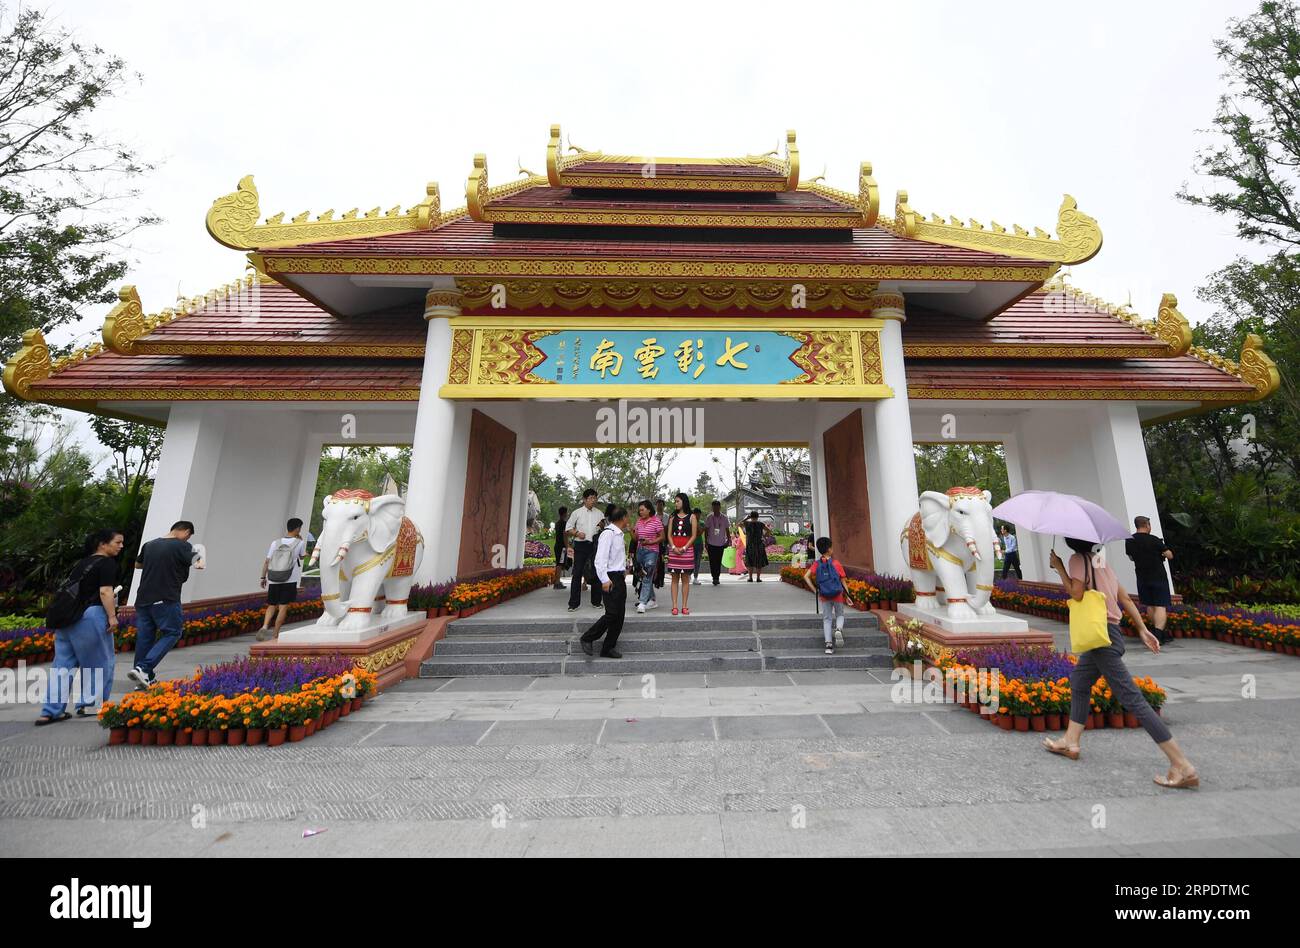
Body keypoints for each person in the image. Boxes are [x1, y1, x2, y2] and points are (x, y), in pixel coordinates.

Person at [1042, 537, 1199, 789]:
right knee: (1080, 681)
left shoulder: (1076, 560)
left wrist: (1059, 567)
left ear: (1070, 540)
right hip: (1108, 633)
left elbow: (1076, 594)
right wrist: (1141, 629)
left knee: (1132, 699)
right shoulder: (1101, 560)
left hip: (1100, 637)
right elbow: (1123, 597)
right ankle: (1070, 741)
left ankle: (1182, 765)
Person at [36, 529, 123, 725]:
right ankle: (91, 704)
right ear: (102, 543)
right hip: (90, 616)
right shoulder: (107, 563)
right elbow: (105, 592)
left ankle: (50, 711)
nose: (121, 546)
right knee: (99, 663)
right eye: (117, 542)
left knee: (62, 665)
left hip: (66, 618)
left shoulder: (81, 563)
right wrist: (112, 616)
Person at [128, 520, 201, 688]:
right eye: (188, 536)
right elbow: (199, 562)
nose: (187, 538)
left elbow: (138, 564)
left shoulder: (150, 544)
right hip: (166, 597)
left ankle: (143, 678)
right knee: (173, 632)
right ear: (185, 531)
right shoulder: (182, 546)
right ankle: (144, 668)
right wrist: (200, 557)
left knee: (145, 638)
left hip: (143, 599)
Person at [579, 506, 629, 658]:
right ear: (622, 518)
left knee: (619, 615)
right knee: (612, 613)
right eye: (627, 517)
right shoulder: (608, 534)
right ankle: (587, 637)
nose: (629, 520)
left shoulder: (618, 534)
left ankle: (608, 647)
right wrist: (605, 580)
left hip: (619, 577)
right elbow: (600, 559)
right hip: (610, 578)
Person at [256, 518, 308, 640]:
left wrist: (263, 577)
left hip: (274, 577)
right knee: (283, 606)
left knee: (272, 605)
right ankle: (275, 634)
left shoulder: (275, 542)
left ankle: (264, 626)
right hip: (289, 579)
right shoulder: (299, 543)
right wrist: (302, 546)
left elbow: (267, 561)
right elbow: (302, 557)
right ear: (297, 529)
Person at [1126, 516, 1174, 645]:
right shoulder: (1154, 540)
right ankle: (1158, 634)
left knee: (1150, 604)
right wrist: (1163, 553)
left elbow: (1131, 557)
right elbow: (1169, 555)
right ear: (1147, 525)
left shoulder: (1129, 540)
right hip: (1158, 575)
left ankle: (1160, 632)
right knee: (1160, 605)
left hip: (1142, 575)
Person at [803, 536, 853, 654]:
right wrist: (848, 596)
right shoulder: (836, 563)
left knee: (827, 619)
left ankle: (829, 646)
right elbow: (843, 581)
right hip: (838, 594)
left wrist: (815, 590)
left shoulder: (816, 564)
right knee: (840, 614)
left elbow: (806, 577)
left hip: (824, 595)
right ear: (830, 549)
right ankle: (839, 630)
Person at [566, 489, 603, 611]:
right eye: (591, 498)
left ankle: (596, 601)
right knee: (577, 573)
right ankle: (573, 604)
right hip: (580, 545)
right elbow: (568, 529)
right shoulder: (577, 513)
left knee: (596, 572)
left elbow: (604, 528)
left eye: (595, 498)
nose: (593, 500)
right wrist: (576, 533)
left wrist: (601, 529)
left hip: (594, 546)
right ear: (584, 499)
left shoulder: (599, 513)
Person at [665, 493, 698, 615]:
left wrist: (684, 547)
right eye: (675, 501)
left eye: (677, 501)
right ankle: (674, 606)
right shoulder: (672, 517)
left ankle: (684, 606)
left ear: (684, 502)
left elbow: (694, 535)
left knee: (685, 579)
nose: (675, 503)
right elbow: (669, 534)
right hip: (674, 551)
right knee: (674, 579)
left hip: (687, 551)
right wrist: (673, 547)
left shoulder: (692, 517)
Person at [632, 500, 662, 614]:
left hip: (652, 552)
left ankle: (642, 603)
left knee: (647, 576)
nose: (640, 512)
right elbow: (635, 538)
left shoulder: (656, 521)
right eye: (639, 510)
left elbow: (662, 537)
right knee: (642, 575)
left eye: (642, 510)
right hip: (640, 551)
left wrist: (650, 542)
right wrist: (631, 531)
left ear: (649, 509)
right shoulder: (639, 521)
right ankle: (652, 600)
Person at [704, 500, 729, 585]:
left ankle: (717, 577)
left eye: (717, 507)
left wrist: (728, 540)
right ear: (712, 507)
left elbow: (727, 530)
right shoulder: (709, 517)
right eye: (714, 507)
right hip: (711, 543)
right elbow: (706, 530)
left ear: (719, 507)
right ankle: (714, 577)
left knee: (718, 561)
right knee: (712, 561)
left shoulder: (724, 518)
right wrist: (706, 542)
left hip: (721, 543)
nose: (715, 509)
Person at [742, 511, 769, 582]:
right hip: (759, 544)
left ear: (750, 516)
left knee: (750, 561)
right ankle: (758, 578)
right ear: (758, 516)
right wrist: (763, 536)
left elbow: (738, 525)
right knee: (759, 561)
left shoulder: (747, 523)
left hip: (750, 545)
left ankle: (750, 578)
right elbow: (769, 531)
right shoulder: (761, 524)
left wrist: (746, 518)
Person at [552, 506, 569, 589]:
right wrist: (567, 546)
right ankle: (557, 582)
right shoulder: (564, 523)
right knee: (559, 564)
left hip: (557, 545)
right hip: (562, 547)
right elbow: (565, 535)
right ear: (565, 513)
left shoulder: (557, 523)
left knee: (558, 563)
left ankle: (557, 581)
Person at [654, 498, 669, 591]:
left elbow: (667, 529)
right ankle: (655, 580)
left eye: (661, 504)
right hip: (655, 542)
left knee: (662, 561)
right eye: (658, 504)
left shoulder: (667, 516)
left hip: (664, 542)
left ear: (663, 506)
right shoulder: (653, 516)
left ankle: (661, 580)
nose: (659, 506)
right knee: (655, 561)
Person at [691, 507, 704, 585]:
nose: (697, 516)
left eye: (698, 514)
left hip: (699, 544)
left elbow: (699, 533)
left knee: (697, 562)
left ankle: (695, 578)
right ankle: (688, 575)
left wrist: (696, 522)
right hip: (691, 544)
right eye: (696, 514)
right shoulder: (690, 522)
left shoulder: (702, 523)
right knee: (690, 561)